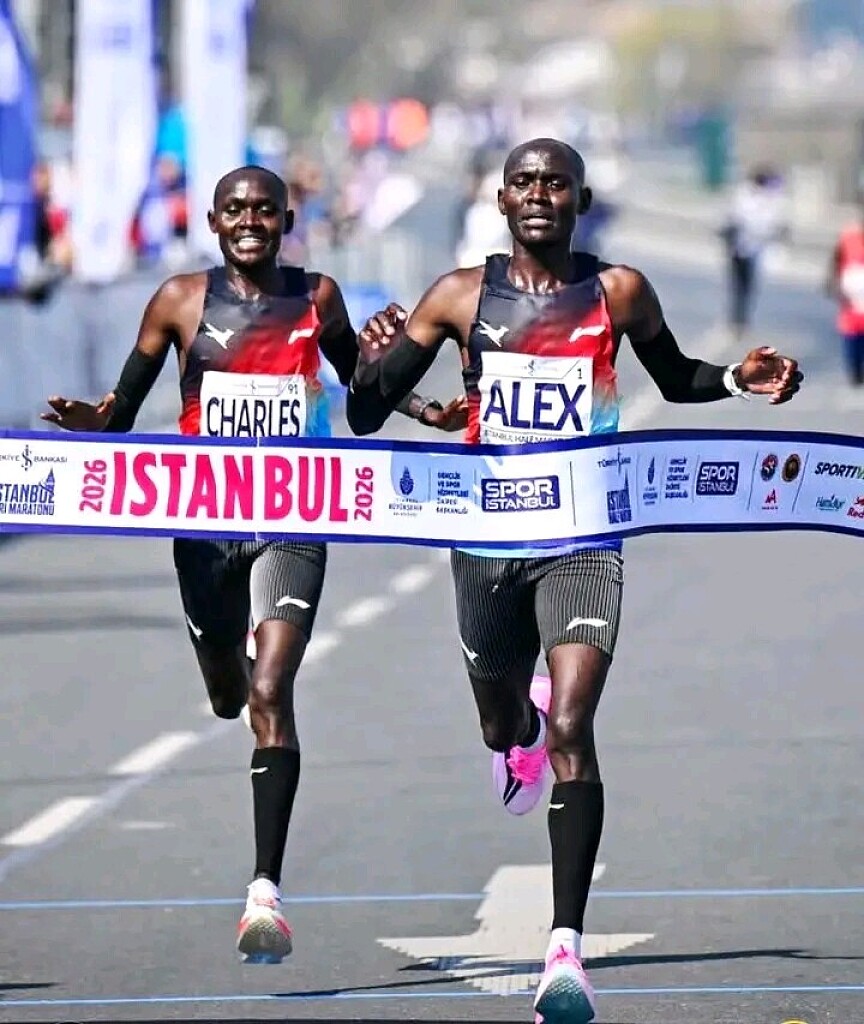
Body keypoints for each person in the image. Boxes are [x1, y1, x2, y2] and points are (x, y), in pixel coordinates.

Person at [345, 139, 802, 1024]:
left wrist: (736, 380)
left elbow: (678, 379)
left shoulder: (618, 292)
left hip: (585, 533)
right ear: (501, 200)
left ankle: (565, 950)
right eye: (523, 183)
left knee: (572, 727)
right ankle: (514, 733)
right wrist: (376, 363)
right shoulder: (459, 296)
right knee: (504, 721)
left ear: (580, 201)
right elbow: (364, 414)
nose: (538, 195)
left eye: (555, 183)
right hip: (486, 536)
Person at [40, 165, 464, 964]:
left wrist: (420, 405)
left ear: (286, 221)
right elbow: (121, 411)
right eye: (234, 209)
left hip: (293, 522)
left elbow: (360, 394)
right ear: (212, 220)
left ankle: (264, 892)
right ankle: (226, 666)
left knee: (272, 691)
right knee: (228, 694)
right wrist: (95, 416)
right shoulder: (178, 301)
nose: (249, 221)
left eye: (264, 210)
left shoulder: (318, 297)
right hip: (204, 527)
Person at [720, 166, 788, 340]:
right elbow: (737, 219)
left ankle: (740, 320)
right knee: (740, 286)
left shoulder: (763, 199)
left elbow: (770, 224)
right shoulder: (746, 196)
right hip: (740, 248)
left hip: (751, 249)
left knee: (745, 287)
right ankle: (738, 320)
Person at [827, 195, 864, 386]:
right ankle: (855, 370)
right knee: (851, 332)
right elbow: (837, 259)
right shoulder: (849, 236)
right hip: (851, 295)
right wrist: (833, 283)